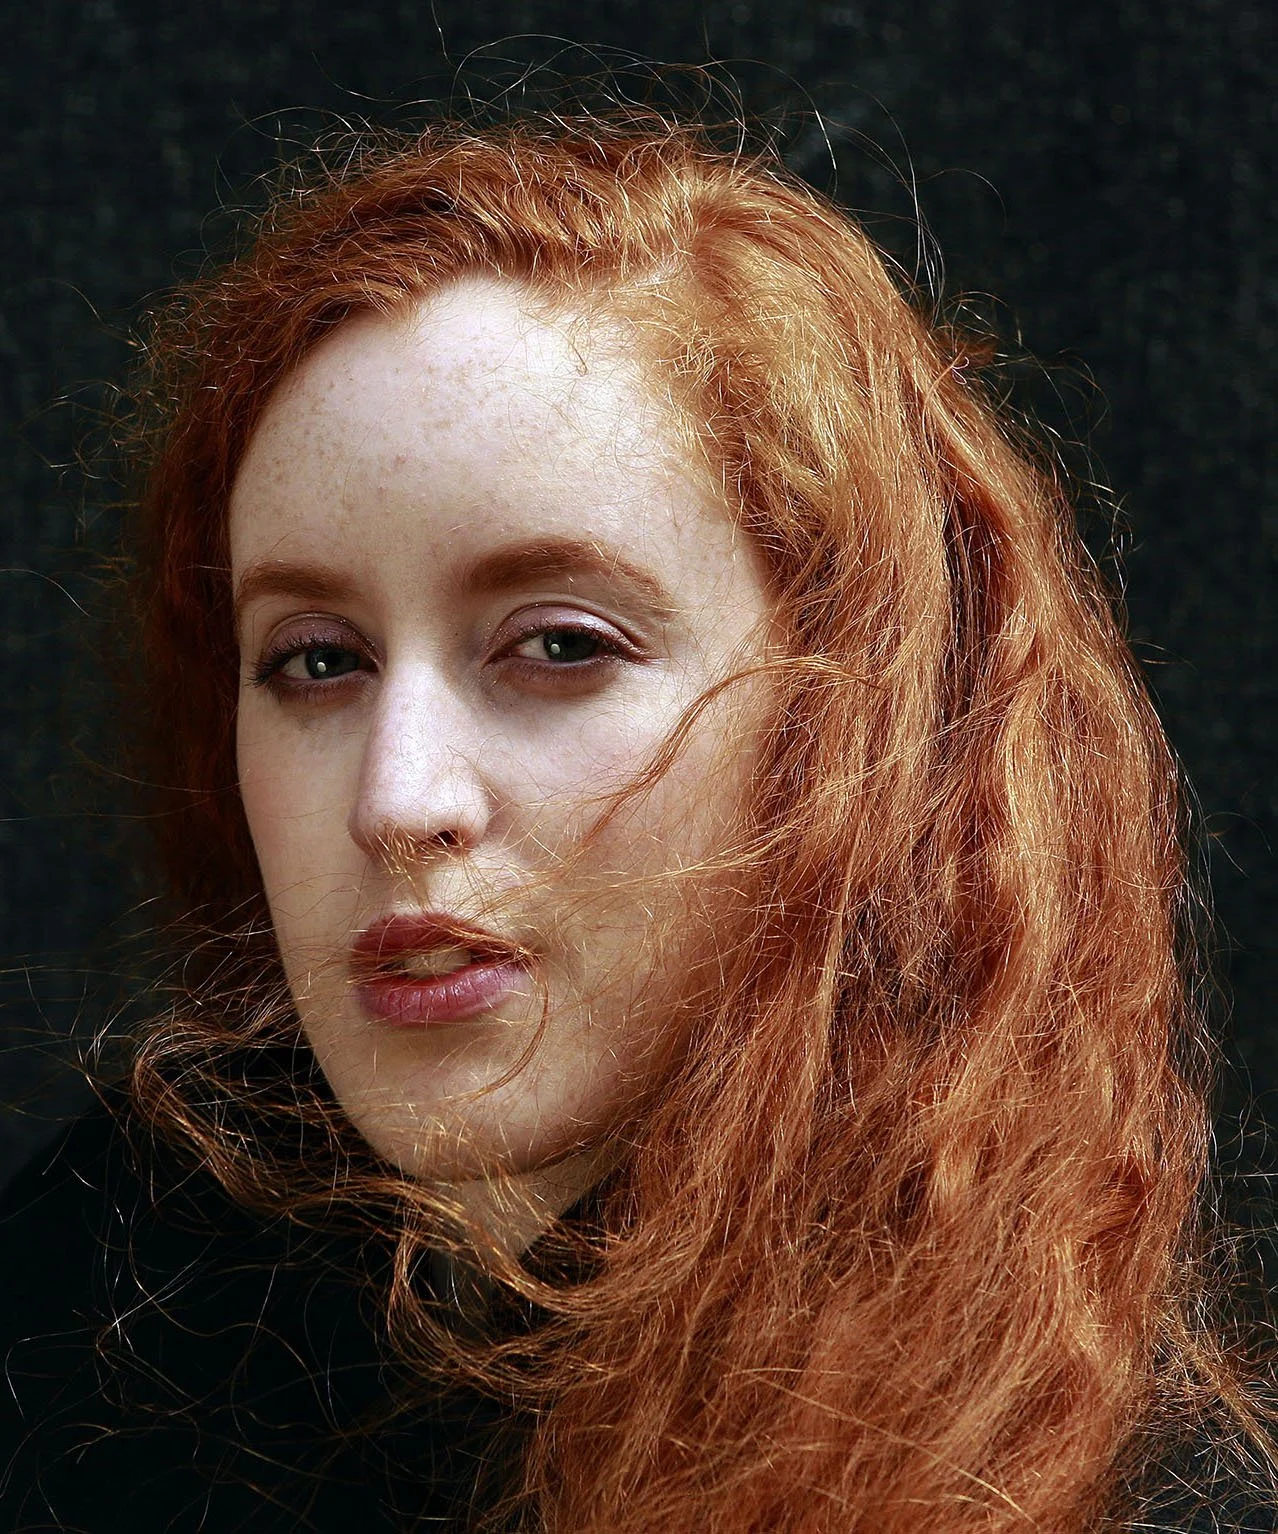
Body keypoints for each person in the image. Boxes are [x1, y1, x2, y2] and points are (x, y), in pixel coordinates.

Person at [1, 110, 1273, 1532]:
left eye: (557, 646)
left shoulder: (1099, 1485)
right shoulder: (93, 1292)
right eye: (316, 660)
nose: (398, 797)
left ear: (842, 720)